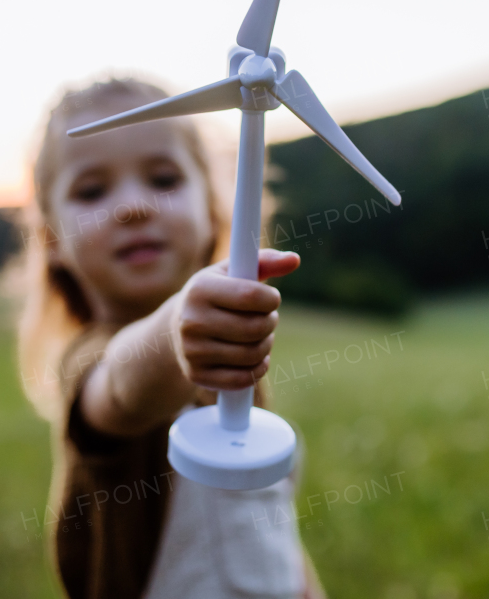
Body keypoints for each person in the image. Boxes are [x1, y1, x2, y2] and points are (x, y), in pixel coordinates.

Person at [17, 77, 326, 599]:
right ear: (52, 241)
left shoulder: (231, 365)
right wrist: (176, 328)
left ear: (212, 211)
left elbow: (272, 533)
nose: (133, 206)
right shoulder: (88, 363)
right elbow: (122, 385)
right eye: (92, 191)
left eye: (163, 179)